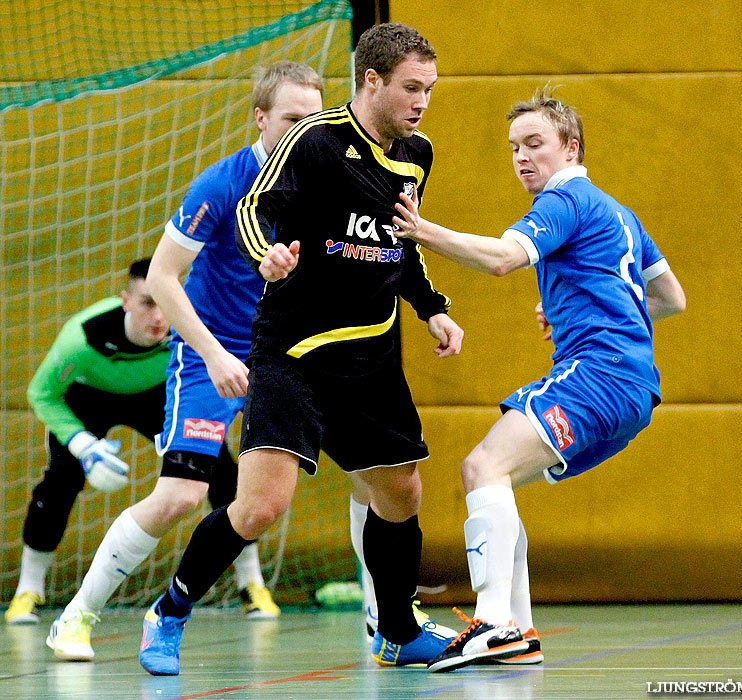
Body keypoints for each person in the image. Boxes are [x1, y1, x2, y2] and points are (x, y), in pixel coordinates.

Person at [138, 23, 464, 676]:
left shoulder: (416, 153)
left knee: (402, 492)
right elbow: (256, 208)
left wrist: (431, 309)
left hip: (370, 359)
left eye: (428, 88)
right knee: (260, 506)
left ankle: (396, 630)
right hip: (296, 354)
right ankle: (169, 610)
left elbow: (404, 241)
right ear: (371, 81)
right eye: (410, 87)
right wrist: (270, 257)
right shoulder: (314, 142)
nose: (422, 101)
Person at [390, 87, 687, 672]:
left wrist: (422, 231)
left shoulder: (565, 199)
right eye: (513, 149)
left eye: (535, 144)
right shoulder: (619, 212)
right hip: (632, 386)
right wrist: (593, 308)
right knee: (500, 482)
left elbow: (502, 258)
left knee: (482, 468)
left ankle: (494, 624)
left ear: (571, 147)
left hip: (597, 373)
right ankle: (518, 631)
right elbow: (670, 298)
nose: (523, 158)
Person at [43, 62, 324, 662]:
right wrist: (213, 352)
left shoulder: (324, 181)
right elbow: (165, 278)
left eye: (314, 120)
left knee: (376, 471)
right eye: (291, 119)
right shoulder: (224, 185)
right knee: (180, 496)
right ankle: (75, 617)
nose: (304, 131)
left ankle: (389, 623)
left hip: (287, 357)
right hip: (212, 353)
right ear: (260, 118)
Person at [4, 258, 170, 626]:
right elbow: (41, 394)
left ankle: (251, 586)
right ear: (125, 300)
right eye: (147, 302)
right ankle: (27, 591)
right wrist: (83, 445)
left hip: (156, 396)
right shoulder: (83, 337)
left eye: (165, 301)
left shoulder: (189, 325)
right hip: (89, 398)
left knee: (217, 468)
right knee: (61, 479)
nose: (158, 316)